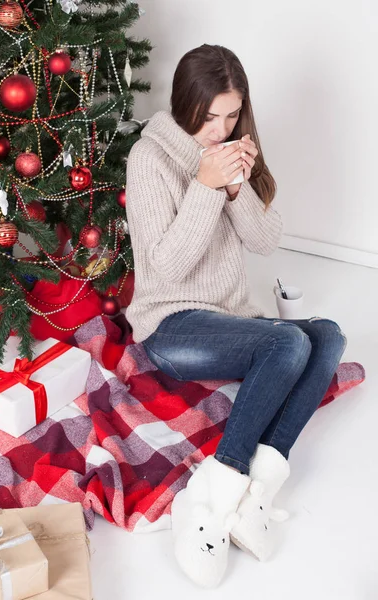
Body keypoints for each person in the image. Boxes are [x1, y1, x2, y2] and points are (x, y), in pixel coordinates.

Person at [125, 44, 347, 588]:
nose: (219, 129)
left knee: (328, 336)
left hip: (230, 320)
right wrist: (204, 187)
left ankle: (257, 496)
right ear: (184, 106)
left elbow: (266, 241)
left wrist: (233, 188)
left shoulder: (229, 151)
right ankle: (215, 489)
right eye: (209, 117)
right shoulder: (150, 157)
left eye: (231, 115)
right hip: (172, 326)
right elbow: (168, 267)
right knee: (289, 346)